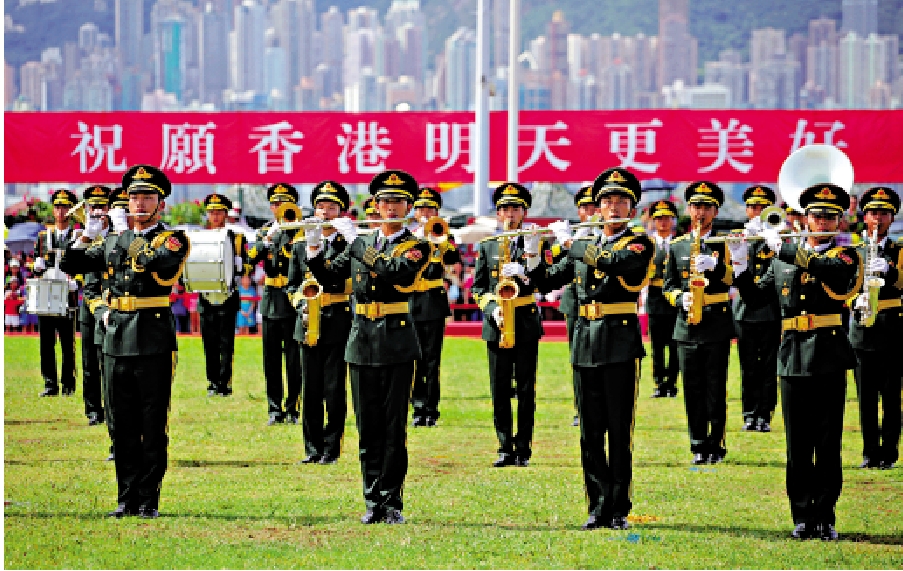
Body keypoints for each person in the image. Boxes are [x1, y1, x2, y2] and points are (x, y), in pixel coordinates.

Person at [728, 182, 860, 541]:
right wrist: (740, 261)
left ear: (839, 220)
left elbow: (830, 271)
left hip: (829, 354)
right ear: (804, 218)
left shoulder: (847, 255)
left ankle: (825, 516)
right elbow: (755, 299)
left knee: (828, 441)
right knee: (797, 442)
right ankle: (802, 514)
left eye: (829, 217)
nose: (821, 222)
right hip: (791, 355)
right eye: (815, 216)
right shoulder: (785, 257)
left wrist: (781, 247)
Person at [61, 164, 189, 519]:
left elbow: (160, 266)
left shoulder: (172, 237)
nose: (139, 203)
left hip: (152, 337)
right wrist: (85, 236)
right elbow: (70, 265)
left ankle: (148, 499)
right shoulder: (112, 239)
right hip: (115, 336)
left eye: (147, 197)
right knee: (121, 423)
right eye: (133, 196)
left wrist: (126, 237)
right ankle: (126, 496)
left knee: (151, 423)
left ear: (160, 202)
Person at [303, 169, 430, 524]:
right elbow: (330, 277)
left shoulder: (417, 245)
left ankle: (392, 501)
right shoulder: (364, 241)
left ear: (407, 206)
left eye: (398, 202)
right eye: (385, 202)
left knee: (393, 427)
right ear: (375, 205)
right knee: (367, 425)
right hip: (360, 340)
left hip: (396, 341)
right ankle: (372, 499)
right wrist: (315, 246)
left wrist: (356, 242)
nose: (391, 208)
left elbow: (395, 272)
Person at [539, 167, 654, 531]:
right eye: (607, 201)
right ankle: (596, 504)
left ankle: (618, 505)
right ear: (598, 208)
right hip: (584, 341)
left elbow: (615, 263)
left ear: (632, 209)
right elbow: (548, 278)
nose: (614, 206)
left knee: (618, 430)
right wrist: (531, 257)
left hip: (619, 341)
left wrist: (572, 244)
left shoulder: (638, 242)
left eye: (621, 201)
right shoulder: (587, 245)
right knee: (589, 431)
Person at [471, 182, 551, 468]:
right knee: (500, 388)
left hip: (526, 319)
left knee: (526, 388)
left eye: (515, 208)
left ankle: (524, 448)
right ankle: (504, 446)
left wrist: (527, 274)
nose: (509, 213)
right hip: (497, 323)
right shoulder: (488, 245)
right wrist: (491, 309)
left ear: (524, 212)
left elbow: (547, 282)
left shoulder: (537, 242)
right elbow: (478, 288)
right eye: (504, 208)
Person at [662, 181, 736, 465]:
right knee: (691, 386)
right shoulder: (678, 245)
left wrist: (715, 266)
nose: (700, 212)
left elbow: (733, 279)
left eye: (706, 207)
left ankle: (715, 443)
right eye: (695, 206)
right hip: (686, 322)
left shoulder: (724, 242)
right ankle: (697, 443)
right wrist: (680, 299)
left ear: (715, 211)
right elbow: (668, 286)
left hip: (715, 320)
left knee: (715, 386)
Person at [287, 181, 354, 465]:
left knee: (333, 388)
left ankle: (331, 448)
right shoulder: (300, 244)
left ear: (341, 212)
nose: (325, 213)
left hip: (336, 318)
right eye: (321, 207)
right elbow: (291, 287)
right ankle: (311, 448)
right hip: (307, 321)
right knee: (310, 387)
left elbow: (345, 280)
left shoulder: (347, 243)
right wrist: (302, 304)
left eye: (332, 208)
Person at [848, 186, 902, 470]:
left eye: (883, 213)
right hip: (862, 330)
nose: (877, 218)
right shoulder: (853, 250)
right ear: (864, 217)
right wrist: (854, 299)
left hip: (892, 330)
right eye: (872, 213)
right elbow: (842, 288)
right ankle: (870, 452)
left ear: (892, 218)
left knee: (891, 396)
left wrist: (890, 271)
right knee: (866, 397)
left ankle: (889, 452)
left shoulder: (899, 249)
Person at [248, 183, 303, 425]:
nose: (278, 207)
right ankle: (274, 408)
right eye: (275, 203)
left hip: (292, 301)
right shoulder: (264, 232)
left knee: (294, 359)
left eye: (284, 203)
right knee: (271, 360)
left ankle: (293, 408)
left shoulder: (300, 231)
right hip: (271, 301)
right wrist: (268, 239)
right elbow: (249, 261)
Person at [408, 187, 462, 427]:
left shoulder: (443, 235)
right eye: (421, 208)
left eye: (430, 208)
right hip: (409, 301)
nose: (425, 212)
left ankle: (430, 408)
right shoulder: (407, 234)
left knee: (431, 360)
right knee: (411, 359)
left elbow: (452, 260)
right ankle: (416, 407)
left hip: (432, 301)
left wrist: (438, 238)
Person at [734, 186, 782, 432]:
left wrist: (768, 236)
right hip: (745, 311)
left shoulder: (777, 236)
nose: (757, 211)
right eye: (753, 207)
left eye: (762, 207)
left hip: (771, 309)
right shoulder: (740, 234)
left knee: (768, 366)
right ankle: (749, 413)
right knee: (748, 366)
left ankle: (764, 414)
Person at [197, 193, 250, 397]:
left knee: (227, 342)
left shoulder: (236, 238)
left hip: (228, 295)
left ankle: (224, 383)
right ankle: (212, 382)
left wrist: (241, 269)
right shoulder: (200, 236)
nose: (215, 216)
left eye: (219, 212)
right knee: (209, 342)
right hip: (206, 295)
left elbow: (246, 264)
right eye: (211, 212)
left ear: (226, 214)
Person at [32, 189, 80, 397]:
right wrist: (36, 266)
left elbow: (83, 263)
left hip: (67, 295)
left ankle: (68, 384)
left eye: (65, 207)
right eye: (58, 207)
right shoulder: (44, 236)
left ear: (71, 210)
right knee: (46, 343)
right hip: (47, 294)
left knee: (68, 343)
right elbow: (33, 262)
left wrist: (77, 281)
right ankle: (50, 384)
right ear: (53, 210)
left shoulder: (78, 235)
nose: (61, 211)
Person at [559, 185, 596, 425]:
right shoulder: (570, 234)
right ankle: (580, 407)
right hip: (575, 301)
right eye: (584, 207)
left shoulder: (607, 234)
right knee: (578, 357)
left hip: (603, 303)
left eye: (593, 206)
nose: (589, 211)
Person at [77, 185, 113, 426]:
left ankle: (111, 409)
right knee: (89, 362)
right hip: (89, 305)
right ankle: (93, 409)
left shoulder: (117, 233)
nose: (98, 210)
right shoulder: (82, 236)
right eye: (93, 206)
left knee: (109, 361)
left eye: (102, 206)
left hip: (113, 305)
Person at [646, 199, 680, 398]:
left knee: (675, 342)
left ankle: (672, 382)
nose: (663, 222)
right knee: (657, 344)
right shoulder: (648, 244)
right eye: (659, 219)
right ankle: (659, 383)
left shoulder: (679, 243)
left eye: (666, 218)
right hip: (655, 295)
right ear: (653, 221)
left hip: (675, 296)